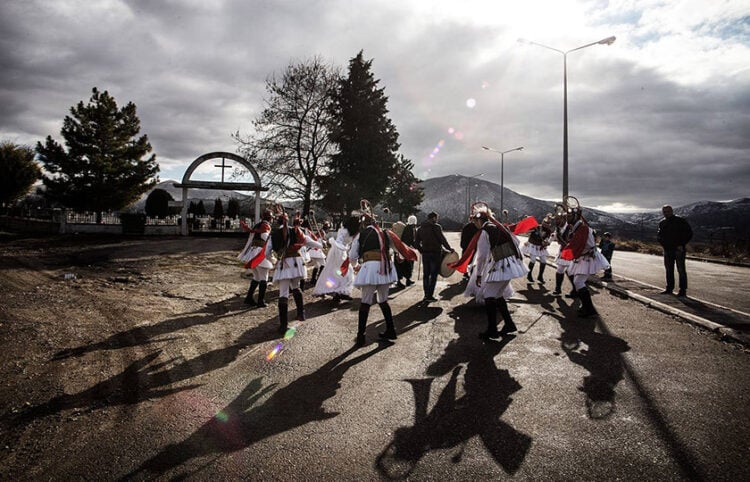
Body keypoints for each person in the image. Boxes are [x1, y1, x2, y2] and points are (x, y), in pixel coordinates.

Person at [467, 203, 527, 339]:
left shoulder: (484, 231)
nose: (474, 224)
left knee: (488, 294)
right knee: (498, 295)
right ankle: (509, 324)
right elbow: (516, 242)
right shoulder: (499, 227)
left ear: (478, 220)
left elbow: (481, 257)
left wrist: (479, 274)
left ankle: (492, 330)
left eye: (474, 221)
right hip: (511, 264)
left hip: (501, 264)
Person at [349, 203, 399, 347]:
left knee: (365, 302)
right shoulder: (384, 232)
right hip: (385, 267)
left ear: (363, 223)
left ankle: (361, 336)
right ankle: (391, 330)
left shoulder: (361, 235)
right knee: (383, 299)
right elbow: (395, 248)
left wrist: (356, 266)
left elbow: (352, 256)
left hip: (370, 268)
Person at [266, 208, 323, 334]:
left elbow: (267, 253)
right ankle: (301, 314)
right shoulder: (298, 231)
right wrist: (320, 245)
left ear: (277, 220)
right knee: (296, 287)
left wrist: (275, 260)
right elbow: (311, 242)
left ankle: (283, 326)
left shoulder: (274, 234)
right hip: (297, 263)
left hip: (284, 264)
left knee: (284, 292)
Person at [559, 203, 611, 317]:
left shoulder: (582, 229)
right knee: (575, 278)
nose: (567, 218)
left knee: (578, 282)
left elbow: (577, 245)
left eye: (569, 216)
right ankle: (586, 307)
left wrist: (565, 249)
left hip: (587, 257)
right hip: (583, 257)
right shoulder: (578, 228)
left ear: (576, 217)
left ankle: (590, 310)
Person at [312, 216, 360, 301]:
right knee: (342, 272)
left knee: (338, 272)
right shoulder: (349, 231)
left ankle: (338, 292)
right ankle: (338, 291)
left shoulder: (348, 231)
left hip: (339, 251)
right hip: (339, 251)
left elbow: (346, 243)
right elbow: (342, 242)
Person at [415, 211, 454, 302]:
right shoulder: (437, 227)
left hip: (425, 253)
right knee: (433, 275)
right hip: (436, 253)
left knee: (426, 274)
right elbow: (442, 240)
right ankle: (429, 295)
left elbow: (416, 243)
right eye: (436, 218)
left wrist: (422, 251)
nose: (437, 220)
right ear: (433, 218)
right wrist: (449, 249)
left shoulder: (420, 228)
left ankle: (426, 294)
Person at [237, 210, 274, 307]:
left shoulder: (258, 225)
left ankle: (249, 298)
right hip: (259, 253)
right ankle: (260, 301)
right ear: (269, 218)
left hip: (252, 252)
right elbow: (266, 238)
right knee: (263, 278)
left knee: (256, 277)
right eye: (272, 217)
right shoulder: (265, 226)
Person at [657, 204, 692, 297]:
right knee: (669, 270)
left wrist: (681, 244)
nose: (666, 213)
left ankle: (682, 290)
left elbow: (689, 233)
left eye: (668, 211)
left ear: (672, 211)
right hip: (667, 250)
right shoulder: (662, 223)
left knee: (681, 270)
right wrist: (663, 245)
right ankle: (669, 288)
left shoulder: (680, 221)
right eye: (664, 212)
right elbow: (659, 236)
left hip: (678, 249)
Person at [521, 216, 553, 284]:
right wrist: (530, 229)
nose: (546, 224)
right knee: (533, 260)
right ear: (542, 222)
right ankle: (529, 275)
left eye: (548, 223)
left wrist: (546, 242)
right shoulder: (537, 227)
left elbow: (548, 238)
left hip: (541, 246)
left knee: (544, 261)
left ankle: (540, 276)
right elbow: (527, 232)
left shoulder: (548, 231)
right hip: (533, 245)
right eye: (545, 222)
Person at [395, 215, 418, 288]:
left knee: (402, 265)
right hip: (407, 249)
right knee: (408, 265)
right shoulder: (411, 229)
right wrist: (417, 246)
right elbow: (411, 240)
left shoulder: (407, 227)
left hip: (403, 248)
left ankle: (403, 280)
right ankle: (407, 280)